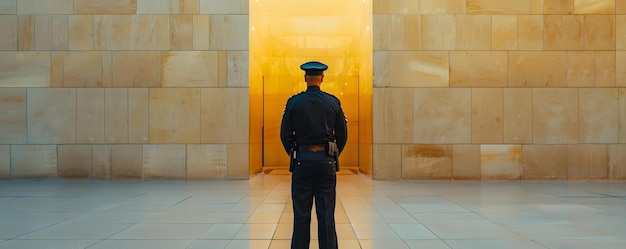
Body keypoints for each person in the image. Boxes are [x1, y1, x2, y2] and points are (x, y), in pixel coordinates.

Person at [280, 61, 348, 249]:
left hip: (302, 163)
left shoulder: (294, 102)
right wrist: (331, 155)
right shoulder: (333, 102)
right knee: (326, 215)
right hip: (326, 164)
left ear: (305, 78)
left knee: (301, 214)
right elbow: (342, 135)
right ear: (322, 79)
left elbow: (284, 134)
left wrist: (297, 154)